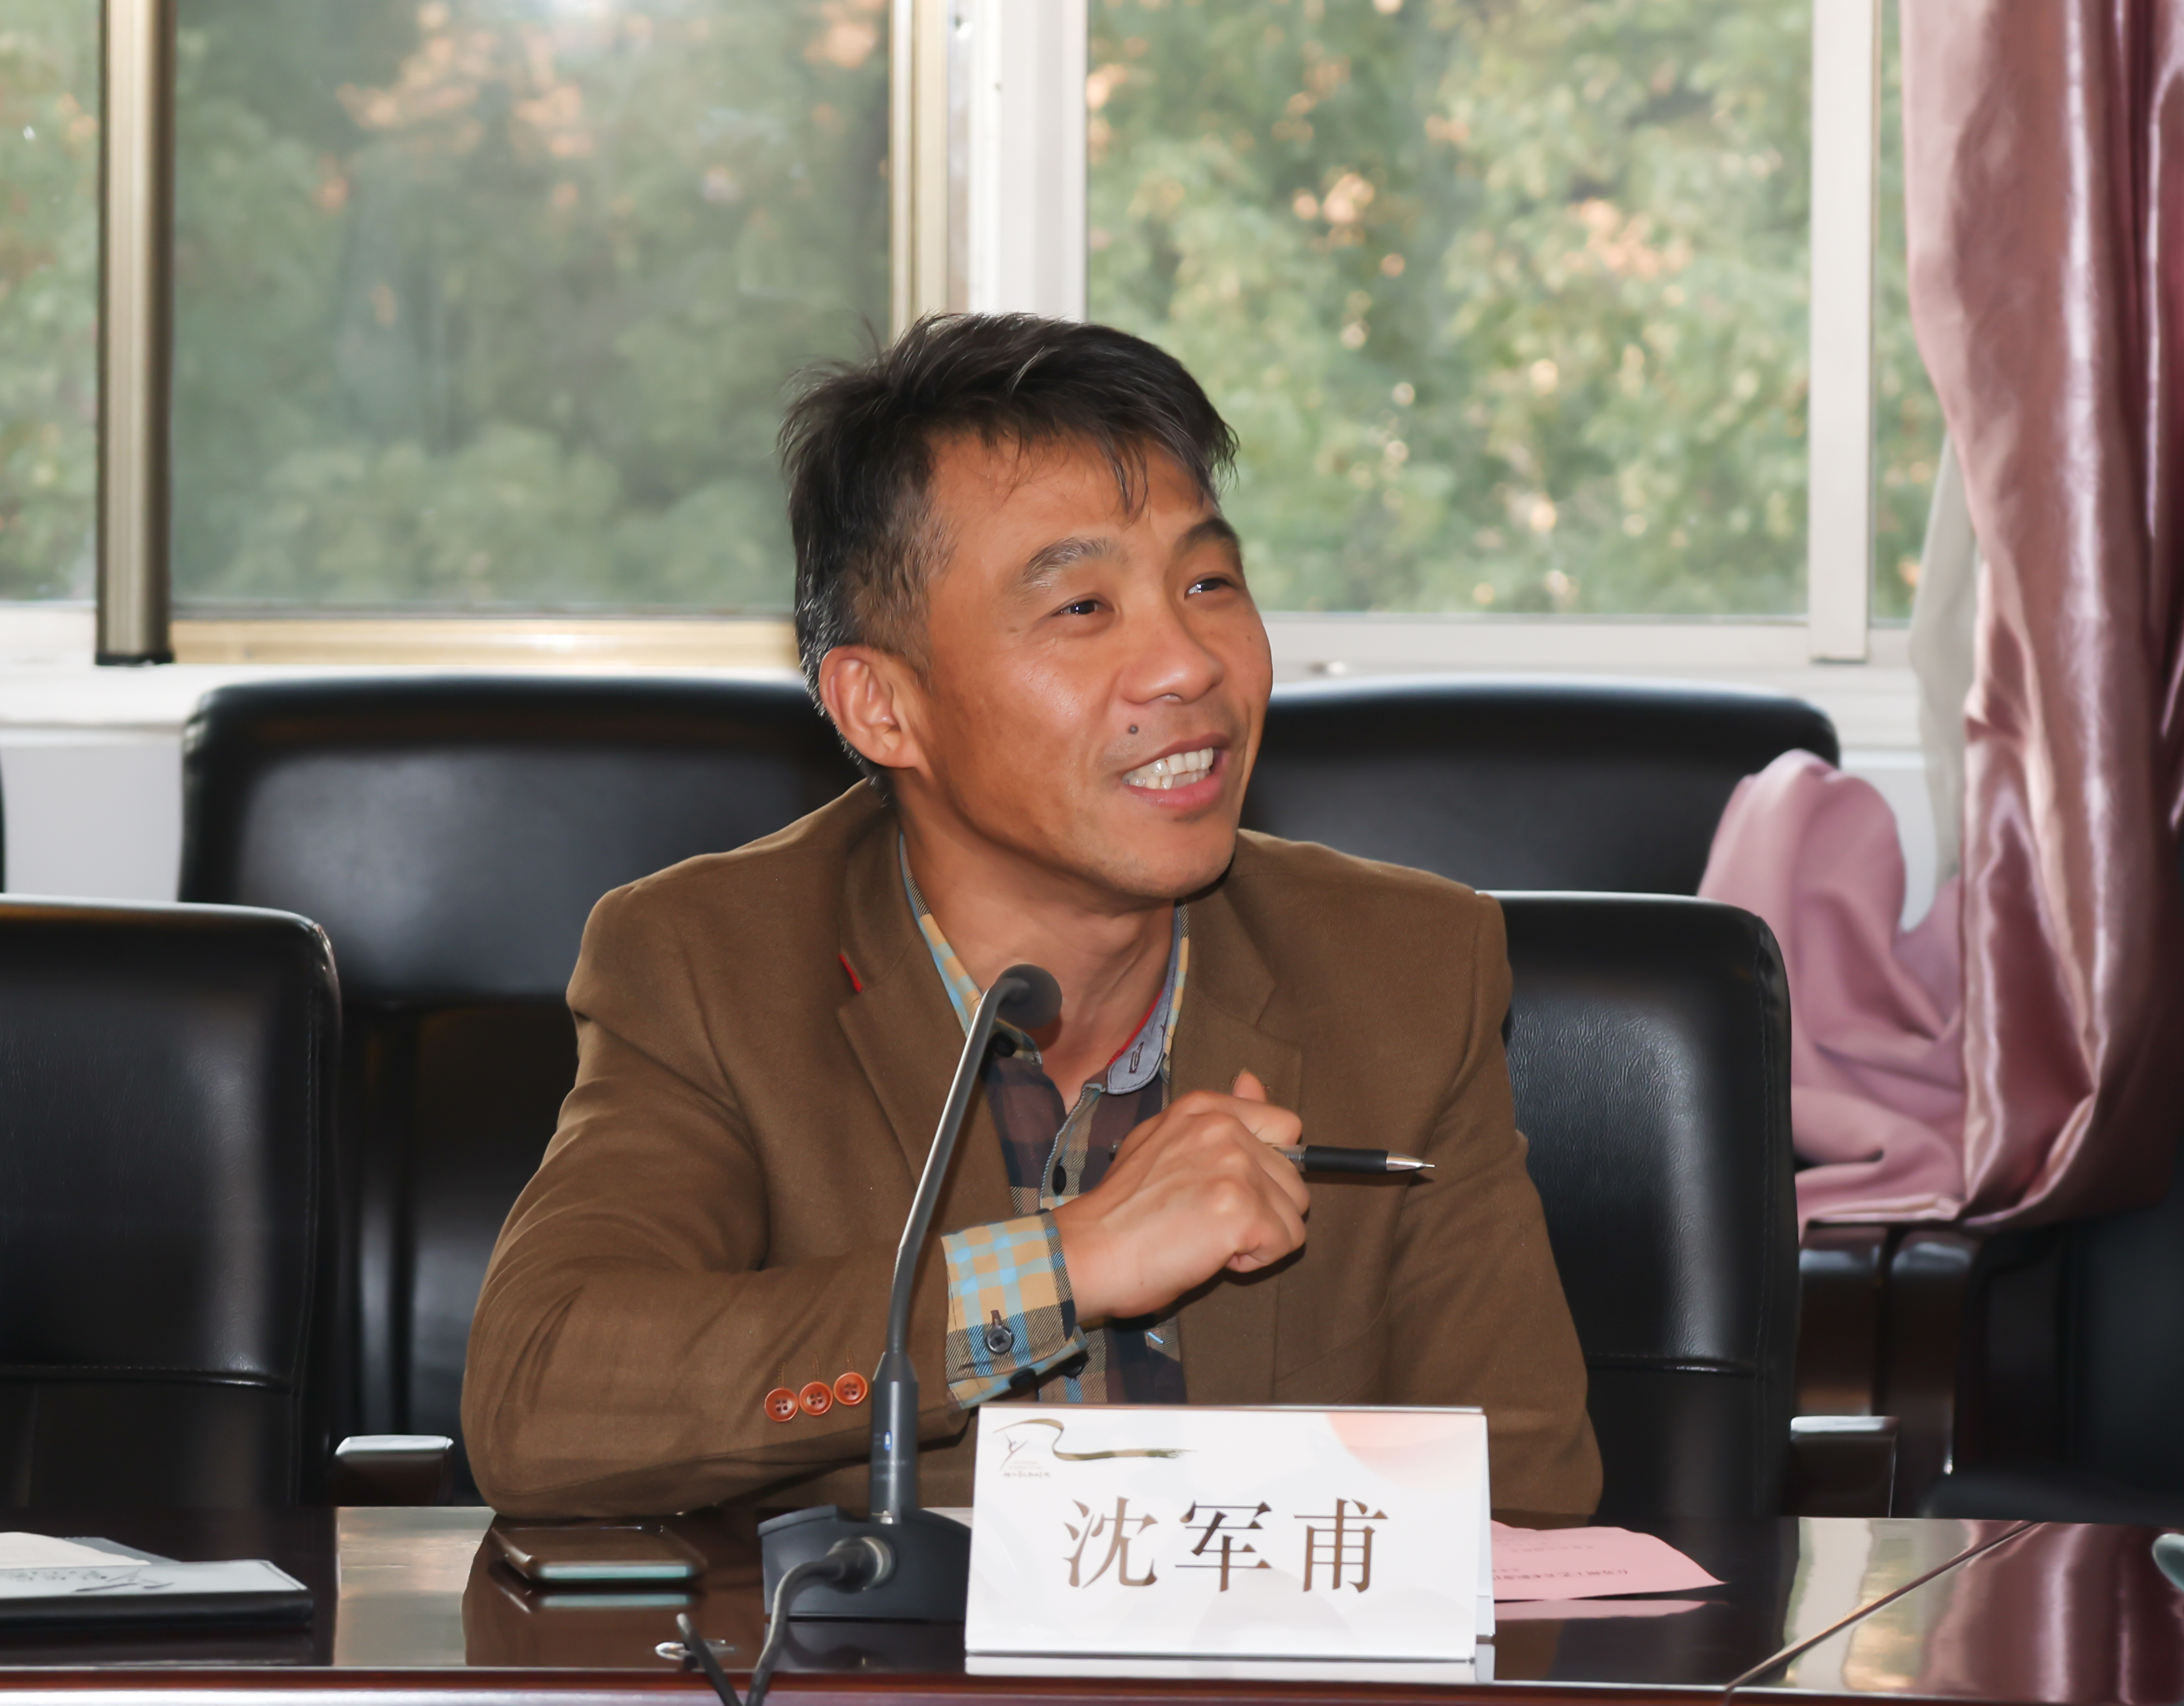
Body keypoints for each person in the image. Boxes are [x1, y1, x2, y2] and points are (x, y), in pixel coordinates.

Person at [462, 314, 1600, 1518]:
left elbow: (1523, 1503)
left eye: (1208, 583)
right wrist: (1062, 1266)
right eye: (1082, 608)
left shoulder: (1407, 967)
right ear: (883, 706)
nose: (1188, 664)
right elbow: (543, 1403)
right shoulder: (711, 962)